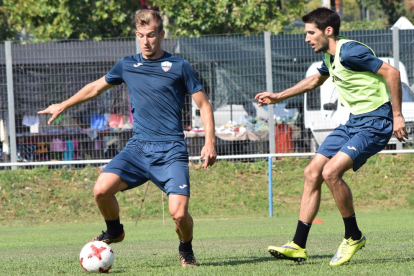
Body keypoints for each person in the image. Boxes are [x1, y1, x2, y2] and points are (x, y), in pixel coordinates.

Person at [38, 9, 217, 267]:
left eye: (152, 35)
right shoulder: (127, 65)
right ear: (136, 35)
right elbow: (95, 88)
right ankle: (114, 231)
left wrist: (209, 142)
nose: (146, 41)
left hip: (170, 151)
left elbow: (204, 105)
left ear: (161, 35)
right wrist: (63, 105)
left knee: (179, 215)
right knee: (101, 190)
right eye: (142, 35)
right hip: (138, 149)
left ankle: (186, 249)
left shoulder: (179, 66)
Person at [255, 7, 408, 266]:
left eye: (310, 32)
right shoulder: (331, 57)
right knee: (312, 172)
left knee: (330, 173)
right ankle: (298, 245)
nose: (306, 38)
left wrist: (397, 115)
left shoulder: (350, 51)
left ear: (328, 31)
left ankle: (353, 236)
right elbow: (315, 81)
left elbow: (392, 73)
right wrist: (277, 96)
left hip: (375, 122)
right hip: (353, 122)